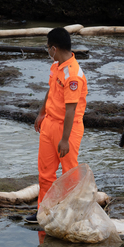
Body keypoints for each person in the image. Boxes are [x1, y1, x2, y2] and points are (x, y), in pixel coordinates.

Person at [26, 27, 88, 223]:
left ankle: (70, 214)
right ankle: (44, 213)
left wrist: (64, 139)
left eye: (47, 48)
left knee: (69, 173)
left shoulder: (73, 75)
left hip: (67, 128)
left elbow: (70, 110)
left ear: (54, 48)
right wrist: (41, 113)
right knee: (45, 173)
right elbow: (50, 91)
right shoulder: (57, 66)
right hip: (49, 124)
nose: (47, 52)